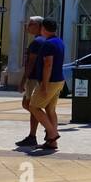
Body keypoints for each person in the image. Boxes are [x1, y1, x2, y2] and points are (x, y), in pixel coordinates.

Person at [28, 19, 66, 150]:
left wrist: (44, 85)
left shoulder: (48, 44)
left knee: (33, 107)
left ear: (43, 28)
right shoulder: (59, 42)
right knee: (50, 109)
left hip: (50, 81)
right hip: (59, 80)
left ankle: (52, 133)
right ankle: (52, 142)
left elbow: (48, 65)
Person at [15, 17, 46, 147]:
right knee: (29, 105)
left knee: (31, 105)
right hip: (39, 78)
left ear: (39, 26)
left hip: (33, 78)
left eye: (31, 24)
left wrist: (23, 80)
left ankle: (48, 127)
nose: (28, 26)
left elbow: (31, 63)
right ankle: (38, 132)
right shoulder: (43, 40)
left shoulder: (37, 42)